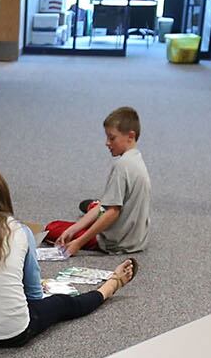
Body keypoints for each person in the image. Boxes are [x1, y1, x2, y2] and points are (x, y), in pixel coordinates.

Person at [0, 166, 135, 348]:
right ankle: (109, 287)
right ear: (3, 197)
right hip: (16, 332)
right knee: (63, 304)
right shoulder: (20, 231)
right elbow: (34, 294)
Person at [47, 105, 153, 255]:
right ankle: (94, 205)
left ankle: (94, 205)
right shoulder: (137, 159)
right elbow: (106, 208)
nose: (107, 143)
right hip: (138, 239)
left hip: (116, 242)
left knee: (52, 227)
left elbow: (112, 213)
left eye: (112, 138)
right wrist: (75, 228)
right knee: (102, 206)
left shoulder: (121, 166)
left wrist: (78, 241)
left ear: (130, 136)